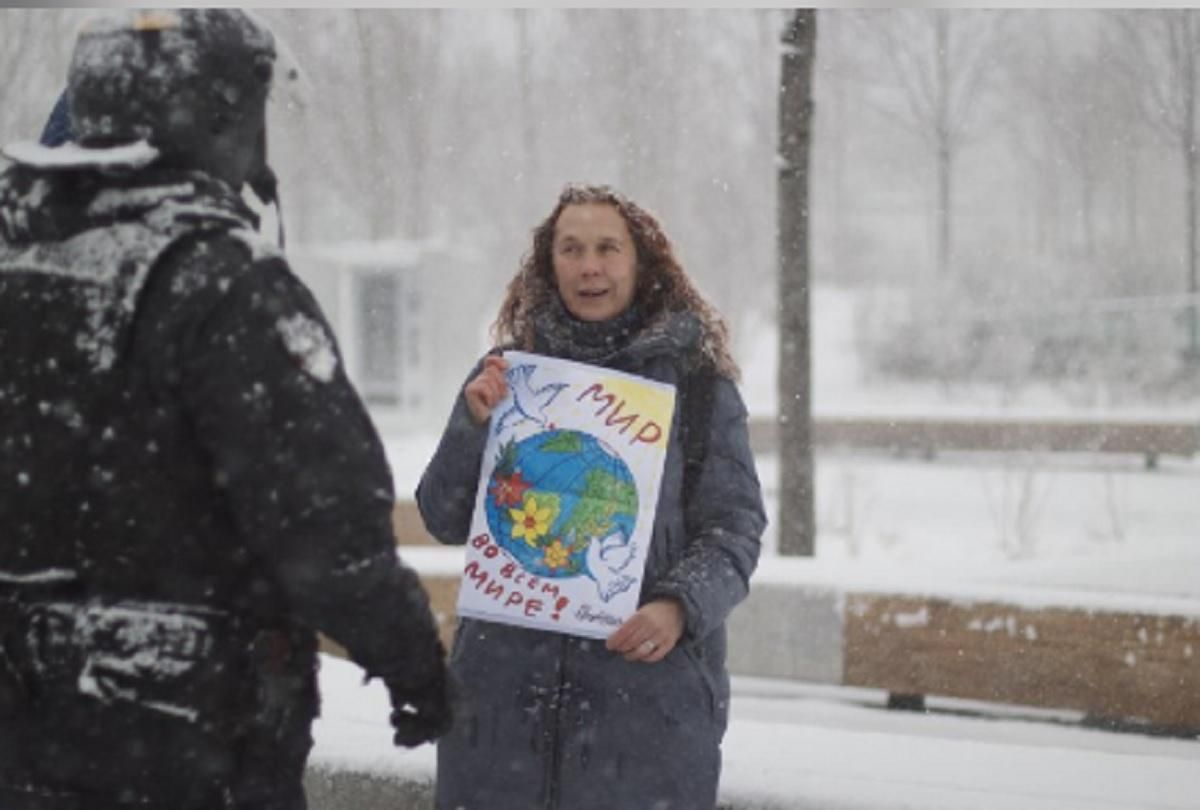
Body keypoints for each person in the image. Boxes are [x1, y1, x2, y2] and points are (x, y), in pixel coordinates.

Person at [0, 9, 453, 809]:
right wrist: (416, 668)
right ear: (221, 115)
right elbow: (327, 531)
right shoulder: (228, 284)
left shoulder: (19, 261)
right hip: (177, 733)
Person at [416, 184, 766, 809]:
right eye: (570, 249)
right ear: (549, 265)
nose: (589, 266)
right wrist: (471, 427)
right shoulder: (506, 375)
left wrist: (679, 607)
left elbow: (735, 527)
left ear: (641, 263)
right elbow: (444, 516)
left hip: (645, 718)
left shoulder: (698, 385)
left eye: (608, 248)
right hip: (498, 718)